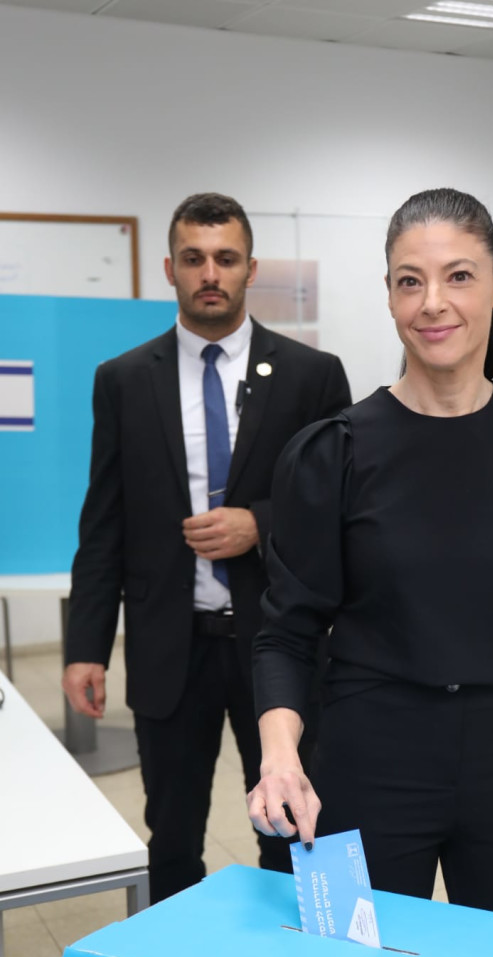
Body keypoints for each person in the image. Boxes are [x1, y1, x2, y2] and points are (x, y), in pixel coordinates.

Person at [248, 187, 493, 922]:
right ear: (388, 296)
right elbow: (286, 631)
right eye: (410, 280)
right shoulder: (333, 452)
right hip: (365, 760)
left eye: (460, 276)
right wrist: (280, 755)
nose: (433, 302)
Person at [63, 192, 351, 904]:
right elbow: (104, 521)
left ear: (252, 266)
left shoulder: (313, 375)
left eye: (225, 257)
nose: (210, 272)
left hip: (280, 646)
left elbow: (346, 505)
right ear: (170, 268)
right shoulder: (124, 380)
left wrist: (260, 521)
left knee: (298, 827)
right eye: (194, 258)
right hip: (171, 645)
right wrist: (84, 646)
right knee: (173, 835)